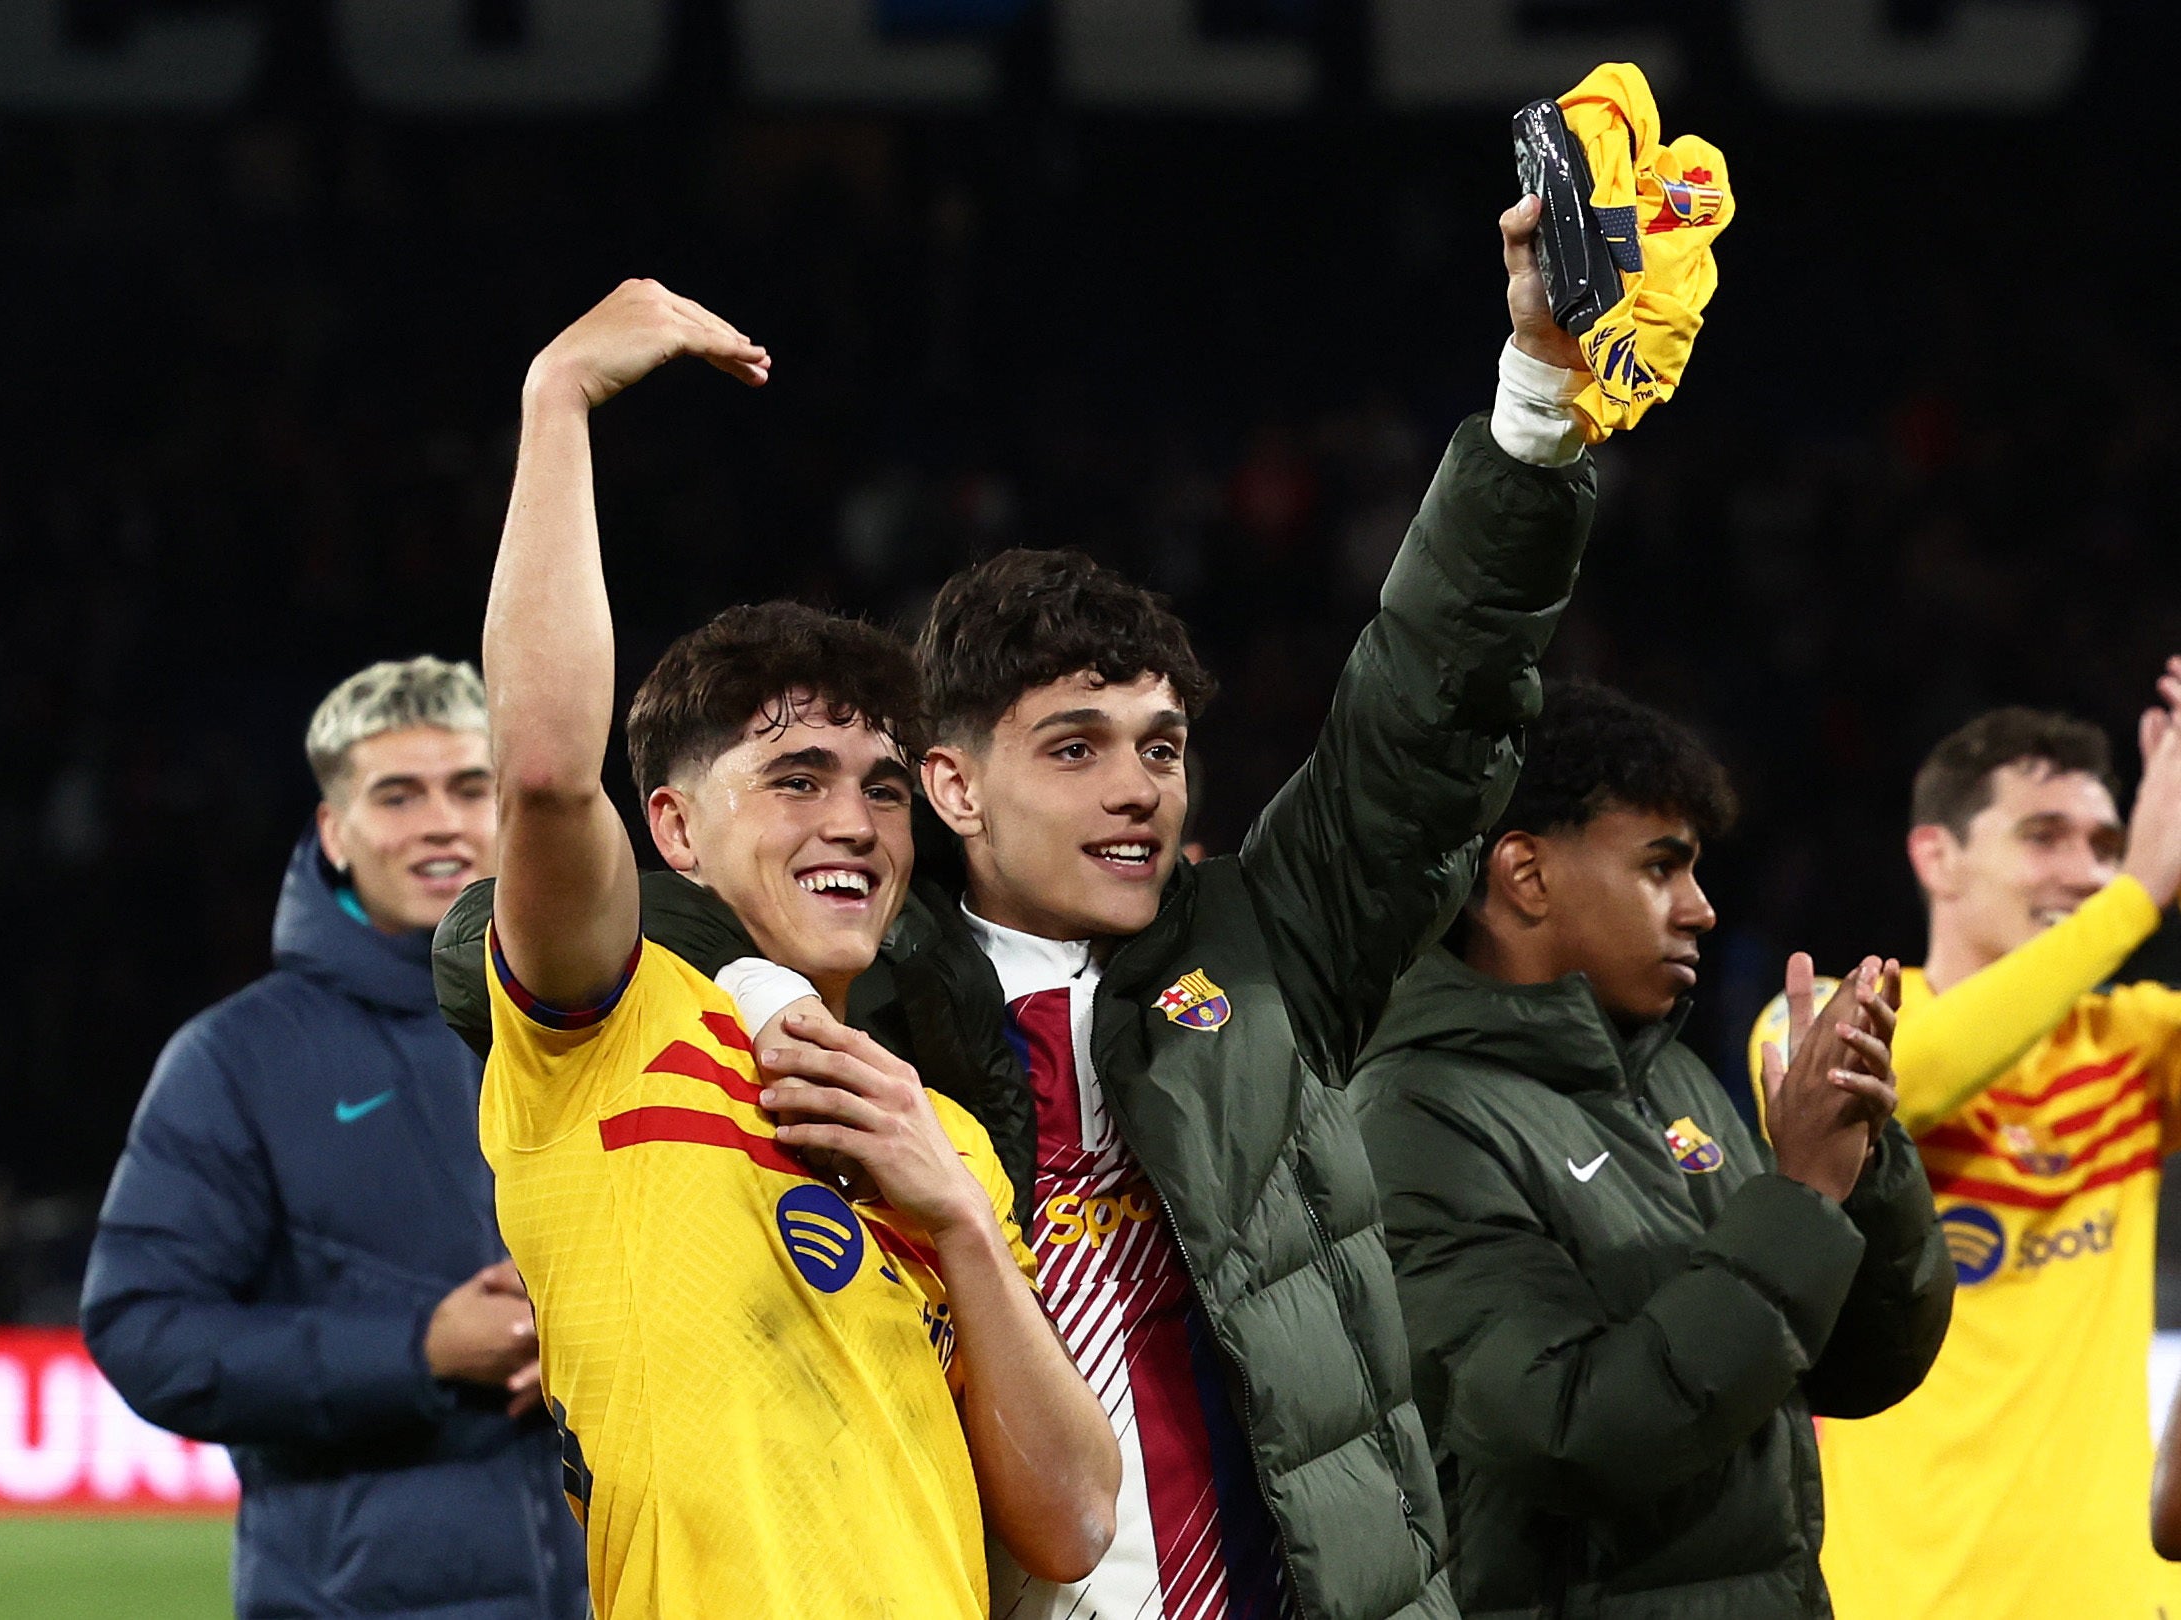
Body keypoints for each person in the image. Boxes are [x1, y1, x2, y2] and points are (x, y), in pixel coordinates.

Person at [437, 195, 1609, 1620]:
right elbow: (530, 877)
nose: (1138, 793)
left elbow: (1429, 709)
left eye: (1164, 749)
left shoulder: (1255, 952)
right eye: (1076, 748)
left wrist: (1539, 396)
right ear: (958, 786)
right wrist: (744, 973)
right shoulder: (868, 985)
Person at [477, 278, 1118, 1618]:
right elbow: (541, 772)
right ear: (675, 828)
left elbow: (1071, 1523)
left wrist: (956, 1214)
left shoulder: (927, 1126)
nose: (856, 823)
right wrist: (557, 402)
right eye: (796, 778)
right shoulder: (602, 1035)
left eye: (883, 788)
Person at [1350, 680, 1952, 1618]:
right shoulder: (1414, 1117)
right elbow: (1570, 1432)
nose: (1702, 908)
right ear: (1526, 874)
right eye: (1662, 868)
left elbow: (1861, 1370)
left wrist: (1861, 1171)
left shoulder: (1670, 1079)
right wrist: (1797, 1195)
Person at [82, 657, 586, 1620]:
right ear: (334, 833)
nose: (441, 821)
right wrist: (421, 1351)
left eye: (469, 787)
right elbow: (144, 1329)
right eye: (397, 795)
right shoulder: (237, 1061)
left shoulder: (614, 1027)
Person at [1766, 664, 2181, 1620]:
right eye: (2045, 837)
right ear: (1936, 857)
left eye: (2112, 845)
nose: (2087, 871)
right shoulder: (1815, 1014)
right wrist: (2138, 901)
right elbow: (1898, 1080)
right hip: (1894, 1599)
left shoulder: (2136, 1046)